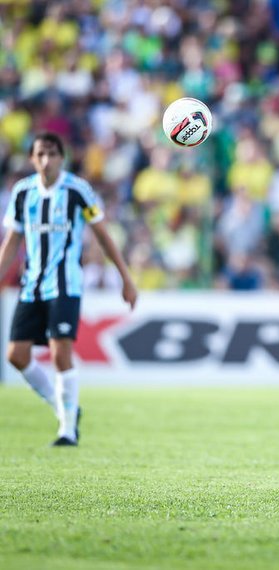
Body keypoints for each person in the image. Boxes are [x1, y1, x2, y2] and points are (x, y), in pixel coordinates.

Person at [0, 133, 138, 446]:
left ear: (62, 157)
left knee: (60, 353)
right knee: (16, 355)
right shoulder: (22, 194)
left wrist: (126, 278)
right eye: (40, 154)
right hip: (31, 285)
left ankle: (66, 429)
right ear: (32, 159)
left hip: (65, 285)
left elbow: (102, 235)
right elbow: (11, 243)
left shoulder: (77, 191)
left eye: (52, 154)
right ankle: (65, 408)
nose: (46, 160)